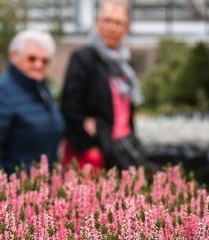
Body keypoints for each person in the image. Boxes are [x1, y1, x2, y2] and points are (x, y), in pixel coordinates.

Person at [61, 0, 149, 171]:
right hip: (95, 149)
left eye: (118, 22)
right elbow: (70, 106)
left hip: (123, 145)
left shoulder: (124, 64)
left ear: (127, 28)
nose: (111, 27)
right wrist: (88, 147)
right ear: (97, 23)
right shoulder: (84, 59)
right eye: (107, 20)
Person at [0, 30, 64, 174]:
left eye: (45, 60)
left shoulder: (42, 88)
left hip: (40, 185)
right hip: (15, 187)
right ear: (13, 56)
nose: (38, 65)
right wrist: (0, 188)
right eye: (31, 58)